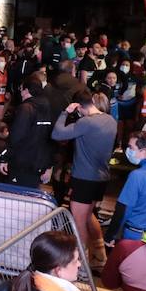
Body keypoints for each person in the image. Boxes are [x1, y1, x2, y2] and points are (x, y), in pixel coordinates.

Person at [51, 93, 115, 260]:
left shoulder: (86, 122)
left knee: (78, 223)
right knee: (87, 216)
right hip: (101, 178)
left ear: (78, 106)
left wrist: (65, 112)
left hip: (84, 178)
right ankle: (100, 255)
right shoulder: (110, 120)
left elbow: (57, 134)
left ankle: (81, 263)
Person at [2, 73, 55, 188]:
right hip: (38, 163)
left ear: (26, 90)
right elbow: (51, 139)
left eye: (21, 89)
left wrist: (4, 157)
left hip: (21, 162)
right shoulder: (48, 108)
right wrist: (49, 165)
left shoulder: (26, 109)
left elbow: (16, 136)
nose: (20, 93)